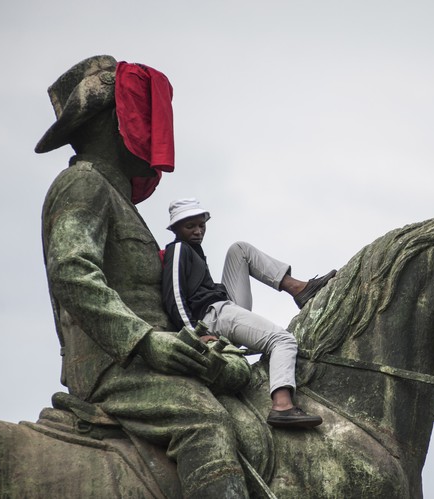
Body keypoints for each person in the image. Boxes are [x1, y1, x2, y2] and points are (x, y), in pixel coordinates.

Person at [36, 55, 249, 497]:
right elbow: (72, 271)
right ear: (117, 121)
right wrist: (145, 340)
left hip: (150, 355)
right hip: (116, 366)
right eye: (142, 114)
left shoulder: (120, 200)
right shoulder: (83, 184)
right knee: (204, 422)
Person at [161, 198, 336, 427]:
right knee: (282, 340)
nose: (198, 231)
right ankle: (282, 406)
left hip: (225, 306)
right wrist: (194, 335)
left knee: (239, 249)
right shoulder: (179, 250)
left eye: (201, 225)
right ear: (175, 228)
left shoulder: (195, 251)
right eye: (190, 226)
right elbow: (173, 296)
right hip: (212, 317)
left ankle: (298, 288)